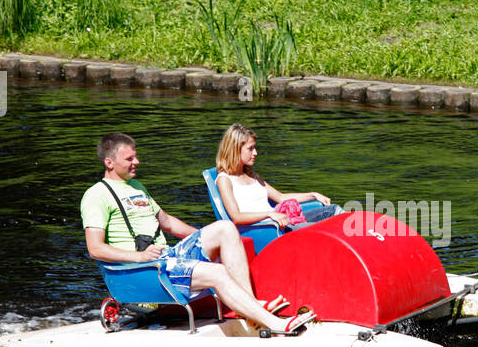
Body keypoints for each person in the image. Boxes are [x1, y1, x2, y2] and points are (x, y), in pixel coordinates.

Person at [81, 133, 313, 334]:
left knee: (225, 228)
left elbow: (168, 222)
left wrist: (206, 238)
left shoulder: (136, 187)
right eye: (129, 159)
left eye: (136, 156)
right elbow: (95, 249)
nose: (137, 162)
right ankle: (274, 323)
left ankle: (251, 306)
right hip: (144, 268)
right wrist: (139, 257)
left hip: (166, 255)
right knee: (218, 272)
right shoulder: (96, 195)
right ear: (109, 162)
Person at [214, 123, 341, 230]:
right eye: (250, 148)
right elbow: (236, 217)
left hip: (282, 220)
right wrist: (269, 214)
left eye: (255, 148)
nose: (255, 153)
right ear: (236, 150)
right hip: (268, 227)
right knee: (324, 229)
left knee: (333, 211)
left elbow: (280, 197)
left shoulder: (252, 176)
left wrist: (313, 195)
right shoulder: (225, 179)